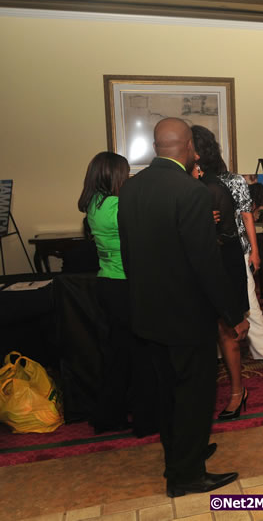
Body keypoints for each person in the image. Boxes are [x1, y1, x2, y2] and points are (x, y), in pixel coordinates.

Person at [118, 118, 249, 497]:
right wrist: (233, 315)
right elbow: (205, 265)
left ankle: (179, 456)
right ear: (190, 146)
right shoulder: (191, 192)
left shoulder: (131, 189)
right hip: (187, 317)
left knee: (167, 393)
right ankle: (187, 477)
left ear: (157, 145)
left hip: (147, 313)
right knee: (194, 395)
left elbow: (130, 255)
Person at [191, 126, 263, 376]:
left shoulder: (233, 180)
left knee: (249, 305)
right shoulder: (189, 180)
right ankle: (221, 355)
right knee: (210, 307)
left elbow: (247, 217)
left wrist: (255, 252)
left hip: (237, 251)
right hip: (204, 253)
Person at [77, 151, 158, 438]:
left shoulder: (95, 204)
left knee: (119, 354)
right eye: (125, 174)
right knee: (140, 355)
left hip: (108, 283)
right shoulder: (115, 206)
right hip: (126, 285)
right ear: (113, 175)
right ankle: (145, 419)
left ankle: (108, 415)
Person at [191, 129, 251, 420]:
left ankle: (237, 392)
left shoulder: (213, 187)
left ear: (197, 153)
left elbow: (223, 238)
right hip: (198, 271)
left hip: (222, 268)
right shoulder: (190, 185)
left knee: (228, 333)